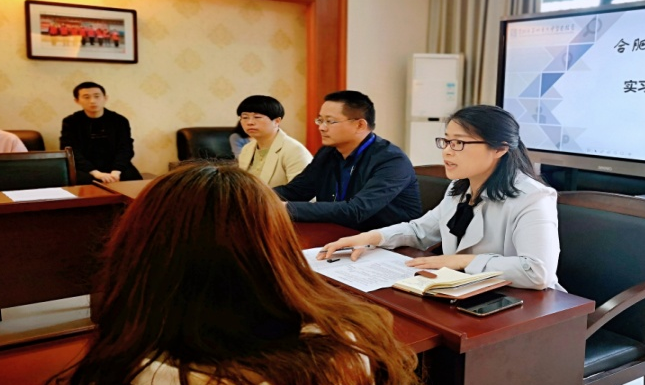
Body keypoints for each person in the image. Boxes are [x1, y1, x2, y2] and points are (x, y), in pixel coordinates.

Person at [0, 163, 429, 385]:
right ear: (277, 253)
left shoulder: (130, 379)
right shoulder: (347, 352)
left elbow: (363, 211)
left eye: (330, 120)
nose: (323, 126)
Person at [322, 105, 562, 291]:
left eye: (459, 143)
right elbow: (420, 231)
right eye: (446, 141)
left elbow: (537, 272)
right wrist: (369, 238)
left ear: (500, 149)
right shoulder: (459, 187)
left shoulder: (533, 197)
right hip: (466, 291)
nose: (447, 150)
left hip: (525, 306)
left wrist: (462, 261)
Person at [274, 90, 421, 231]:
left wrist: (284, 207)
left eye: (330, 121)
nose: (321, 128)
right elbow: (297, 191)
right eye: (320, 120)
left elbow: (357, 210)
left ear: (360, 125)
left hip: (388, 240)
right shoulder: (328, 153)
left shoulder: (392, 160)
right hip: (338, 232)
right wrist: (262, 197)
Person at [60, 81, 142, 184]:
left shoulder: (119, 120)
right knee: (84, 181)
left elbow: (125, 148)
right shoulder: (71, 122)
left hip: (115, 166)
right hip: (85, 168)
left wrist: (116, 171)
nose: (92, 101)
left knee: (133, 180)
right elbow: (70, 151)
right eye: (86, 97)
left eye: (97, 96)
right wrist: (95, 173)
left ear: (105, 98)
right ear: (77, 101)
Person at [236, 95, 312, 188]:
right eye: (245, 117)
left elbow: (302, 191)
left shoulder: (294, 150)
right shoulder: (246, 149)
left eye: (257, 117)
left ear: (277, 121)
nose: (250, 122)